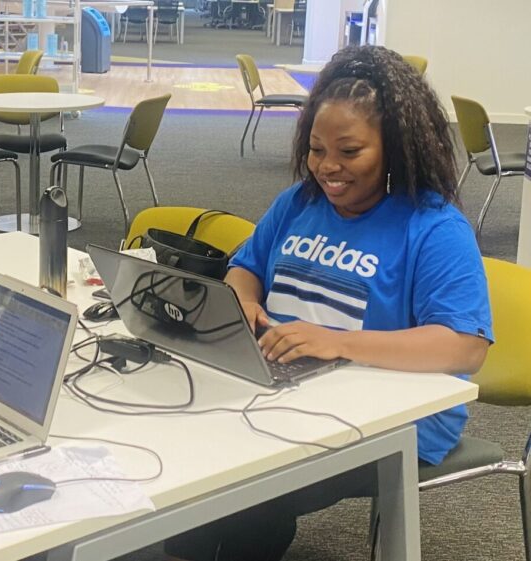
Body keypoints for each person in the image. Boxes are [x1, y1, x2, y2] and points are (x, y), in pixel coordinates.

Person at [165, 45, 493, 560]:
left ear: (396, 148)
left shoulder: (432, 227)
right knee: (185, 445)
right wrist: (243, 300)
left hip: (397, 413)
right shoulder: (299, 203)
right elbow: (245, 267)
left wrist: (338, 343)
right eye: (317, 149)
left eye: (349, 151)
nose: (327, 167)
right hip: (293, 384)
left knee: (249, 485)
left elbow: (465, 346)